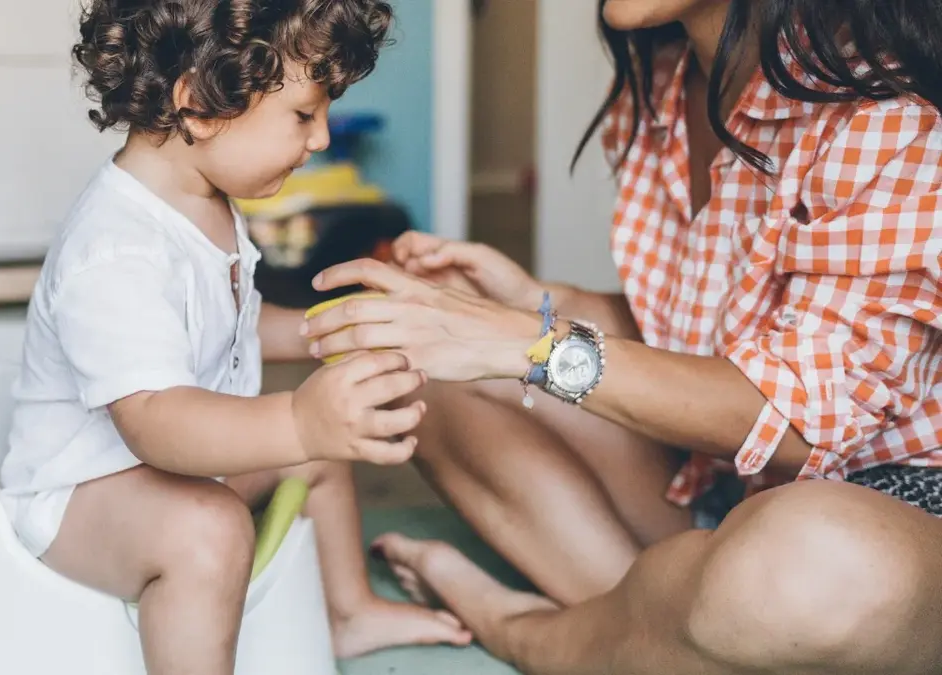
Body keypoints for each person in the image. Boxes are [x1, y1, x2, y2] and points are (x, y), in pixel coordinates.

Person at [301, 0, 942, 673]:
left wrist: (530, 341)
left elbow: (797, 422)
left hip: (883, 519)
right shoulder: (668, 84)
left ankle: (526, 627)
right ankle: (664, 631)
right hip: (732, 487)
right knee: (409, 372)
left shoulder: (884, 112)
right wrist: (536, 305)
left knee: (813, 559)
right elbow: (713, 330)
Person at [0, 1, 472, 672]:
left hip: (172, 465)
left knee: (314, 448)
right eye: (304, 115)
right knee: (209, 528)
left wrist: (341, 330)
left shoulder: (205, 201)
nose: (322, 139)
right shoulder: (117, 249)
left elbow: (236, 327)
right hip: (82, 495)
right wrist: (298, 422)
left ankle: (348, 611)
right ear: (199, 107)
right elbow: (155, 421)